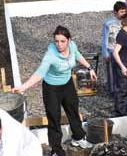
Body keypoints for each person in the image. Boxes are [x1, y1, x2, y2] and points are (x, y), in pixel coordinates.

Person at [12, 26, 96, 156]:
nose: (59, 44)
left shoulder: (72, 46)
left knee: (73, 110)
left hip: (67, 84)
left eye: (62, 41)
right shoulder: (50, 55)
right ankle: (56, 150)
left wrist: (89, 67)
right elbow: (39, 73)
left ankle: (78, 138)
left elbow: (78, 55)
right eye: (56, 41)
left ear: (69, 40)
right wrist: (23, 87)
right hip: (52, 89)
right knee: (54, 117)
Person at [101, 1, 127, 94]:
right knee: (111, 71)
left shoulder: (125, 21)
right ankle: (112, 90)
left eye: (125, 11)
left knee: (121, 70)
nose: (124, 14)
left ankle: (120, 88)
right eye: (121, 12)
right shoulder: (108, 23)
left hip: (122, 50)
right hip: (111, 50)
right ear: (115, 12)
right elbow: (104, 38)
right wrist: (105, 53)